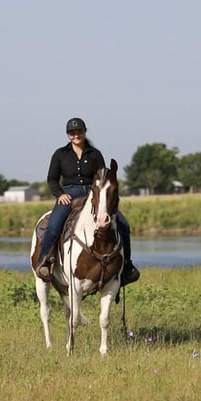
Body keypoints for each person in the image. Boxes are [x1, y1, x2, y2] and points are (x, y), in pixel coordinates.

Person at [36, 117, 140, 286]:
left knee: (123, 224)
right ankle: (45, 261)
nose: (76, 135)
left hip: (94, 195)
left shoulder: (95, 154)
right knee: (54, 225)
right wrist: (59, 194)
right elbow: (52, 179)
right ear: (68, 135)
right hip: (69, 194)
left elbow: (103, 178)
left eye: (79, 132)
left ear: (84, 132)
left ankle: (127, 266)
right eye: (72, 133)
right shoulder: (60, 154)